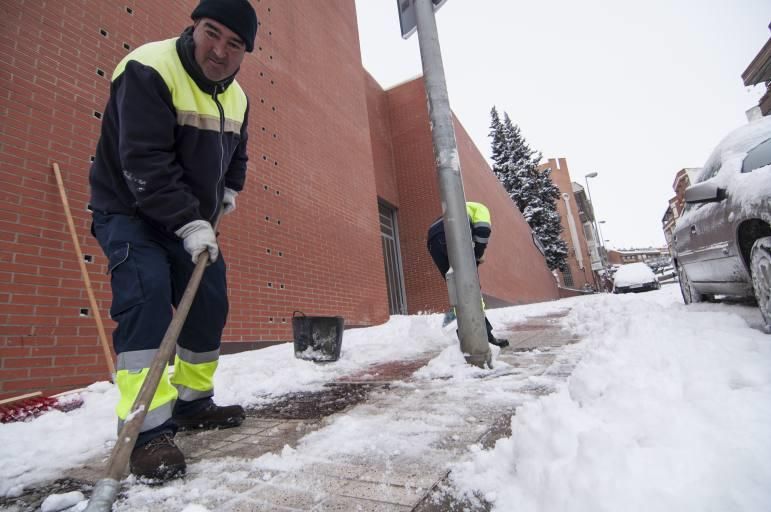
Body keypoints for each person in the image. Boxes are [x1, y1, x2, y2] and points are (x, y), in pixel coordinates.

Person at [88, 0, 258, 481]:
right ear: (194, 26)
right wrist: (190, 222)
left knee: (209, 301)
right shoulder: (149, 68)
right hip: (130, 212)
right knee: (147, 297)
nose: (220, 50)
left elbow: (238, 150)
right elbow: (142, 162)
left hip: (189, 222)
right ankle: (145, 431)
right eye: (212, 32)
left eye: (235, 44)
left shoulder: (239, 98)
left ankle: (192, 401)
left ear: (245, 52)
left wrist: (229, 189)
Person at [426, 202, 509, 348]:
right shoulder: (482, 208)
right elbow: (483, 231)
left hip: (433, 240)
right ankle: (480, 336)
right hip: (450, 233)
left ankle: (468, 336)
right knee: (471, 288)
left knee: (458, 289)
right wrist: (478, 255)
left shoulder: (459, 207)